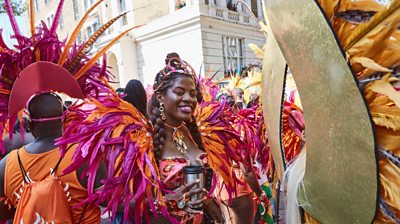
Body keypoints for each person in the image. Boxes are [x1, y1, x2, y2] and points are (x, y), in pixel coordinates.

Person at [0, 93, 105, 223]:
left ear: (29, 125)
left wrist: (30, 204)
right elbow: (108, 199)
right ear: (63, 120)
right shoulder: (84, 156)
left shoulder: (5, 165)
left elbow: (4, 213)